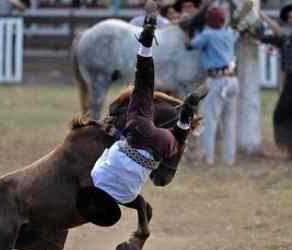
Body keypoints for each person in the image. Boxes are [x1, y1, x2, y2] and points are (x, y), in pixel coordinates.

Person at [77, 12, 207, 236]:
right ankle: (146, 45)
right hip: (137, 131)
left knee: (178, 137)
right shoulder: (96, 176)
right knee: (144, 84)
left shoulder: (127, 196)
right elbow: (109, 148)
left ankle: (185, 116)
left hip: (159, 147)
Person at [187, 6, 239, 165]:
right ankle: (229, 159)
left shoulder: (207, 34)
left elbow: (190, 45)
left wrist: (189, 30)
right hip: (232, 80)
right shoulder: (230, 33)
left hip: (216, 80)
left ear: (208, 21)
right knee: (229, 123)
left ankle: (207, 158)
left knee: (210, 122)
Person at [257, 5, 292, 156]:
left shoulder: (286, 37)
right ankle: (288, 148)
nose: (291, 19)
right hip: (289, 81)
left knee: (281, 113)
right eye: (290, 17)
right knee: (282, 113)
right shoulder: (286, 38)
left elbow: (279, 34)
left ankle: (287, 146)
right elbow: (270, 38)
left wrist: (263, 17)